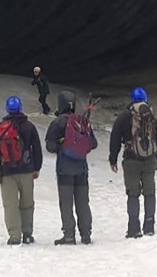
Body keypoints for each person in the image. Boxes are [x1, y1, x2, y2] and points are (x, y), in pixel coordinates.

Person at [0, 95, 43, 245]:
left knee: (10, 205)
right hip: (26, 171)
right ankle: (27, 234)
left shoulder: (1, 127)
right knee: (27, 204)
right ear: (20, 108)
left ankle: (14, 236)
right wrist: (37, 168)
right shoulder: (29, 126)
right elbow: (37, 148)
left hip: (7, 172)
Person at [108, 87, 157, 238]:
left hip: (131, 160)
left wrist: (113, 159)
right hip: (150, 160)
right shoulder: (150, 116)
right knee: (149, 193)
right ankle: (149, 225)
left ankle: (134, 228)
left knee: (133, 194)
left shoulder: (124, 117)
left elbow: (115, 139)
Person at [45, 90, 97, 245]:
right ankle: (86, 234)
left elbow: (50, 146)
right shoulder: (82, 121)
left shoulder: (58, 123)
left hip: (64, 169)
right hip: (82, 168)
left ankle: (69, 235)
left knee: (66, 203)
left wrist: (62, 145)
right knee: (83, 202)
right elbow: (93, 144)